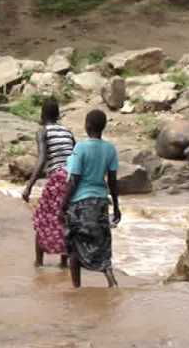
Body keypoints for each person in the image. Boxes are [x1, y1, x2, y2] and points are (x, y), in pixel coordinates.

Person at [59, 109, 121, 288]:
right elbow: (113, 181)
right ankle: (110, 279)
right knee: (102, 244)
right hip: (101, 202)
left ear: (87, 126)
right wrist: (116, 206)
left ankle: (76, 288)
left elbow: (74, 179)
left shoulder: (80, 147)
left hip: (80, 203)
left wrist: (62, 206)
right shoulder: (110, 149)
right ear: (103, 127)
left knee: (74, 245)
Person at [22, 97, 76, 267]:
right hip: (73, 179)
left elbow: (42, 158)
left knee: (42, 219)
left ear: (42, 115)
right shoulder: (68, 132)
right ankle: (63, 264)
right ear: (58, 115)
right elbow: (76, 156)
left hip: (57, 178)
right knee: (65, 219)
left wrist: (29, 186)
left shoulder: (43, 131)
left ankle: (38, 263)